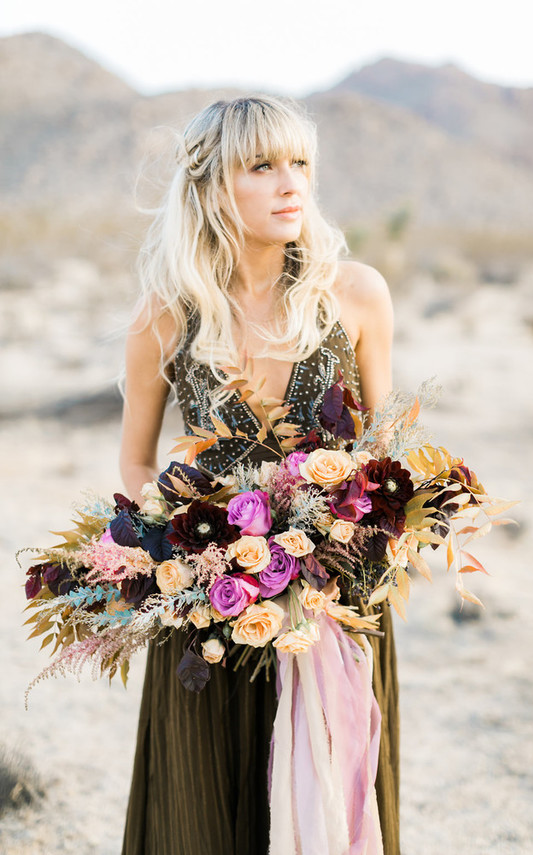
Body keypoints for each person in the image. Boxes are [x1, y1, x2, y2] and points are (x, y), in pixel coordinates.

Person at [119, 95, 400, 855]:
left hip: (336, 599)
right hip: (208, 604)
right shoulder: (165, 315)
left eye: (300, 162)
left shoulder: (356, 293)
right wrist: (175, 552)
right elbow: (138, 459)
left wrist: (355, 543)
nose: (291, 182)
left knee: (334, 803)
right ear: (213, 186)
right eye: (263, 165)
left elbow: (385, 451)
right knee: (205, 812)